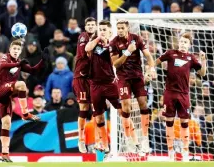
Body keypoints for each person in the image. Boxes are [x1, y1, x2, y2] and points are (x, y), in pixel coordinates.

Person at [0, 40, 49, 162]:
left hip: (6, 96)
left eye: (18, 49)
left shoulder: (18, 62)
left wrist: (43, 61)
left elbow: (33, 70)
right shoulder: (5, 58)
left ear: (20, 51)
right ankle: (26, 114)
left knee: (6, 123)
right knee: (22, 84)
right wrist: (17, 65)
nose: (16, 51)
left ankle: (4, 154)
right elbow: (2, 66)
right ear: (10, 49)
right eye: (14, 49)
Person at [156, 32, 207, 161]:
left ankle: (185, 152)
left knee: (185, 123)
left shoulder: (191, 58)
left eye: (186, 42)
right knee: (169, 122)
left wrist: (203, 60)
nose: (183, 44)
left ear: (189, 45)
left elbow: (202, 73)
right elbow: (156, 61)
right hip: (170, 93)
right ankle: (170, 152)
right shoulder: (170, 53)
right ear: (179, 42)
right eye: (182, 41)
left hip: (184, 94)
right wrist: (151, 69)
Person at [109, 19, 155, 155]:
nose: (120, 30)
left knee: (143, 104)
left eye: (122, 28)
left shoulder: (137, 38)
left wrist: (151, 68)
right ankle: (129, 138)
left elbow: (148, 55)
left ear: (127, 28)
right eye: (118, 28)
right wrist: (128, 52)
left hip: (137, 76)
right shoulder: (113, 43)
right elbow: (116, 64)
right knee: (126, 107)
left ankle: (145, 138)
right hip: (123, 78)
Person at [85, 20, 122, 157]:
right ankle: (106, 147)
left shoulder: (114, 45)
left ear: (110, 32)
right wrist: (98, 38)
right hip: (95, 85)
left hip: (110, 83)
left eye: (104, 29)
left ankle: (132, 140)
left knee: (123, 111)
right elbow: (87, 49)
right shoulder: (94, 44)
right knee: (99, 118)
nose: (102, 31)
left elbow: (117, 63)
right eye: (100, 29)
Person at [72, 17, 96, 153]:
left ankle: (96, 140)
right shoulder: (83, 37)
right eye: (89, 25)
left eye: (93, 24)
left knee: (97, 108)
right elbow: (86, 54)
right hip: (81, 77)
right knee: (84, 108)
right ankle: (81, 139)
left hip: (94, 78)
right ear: (85, 27)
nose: (91, 27)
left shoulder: (100, 37)